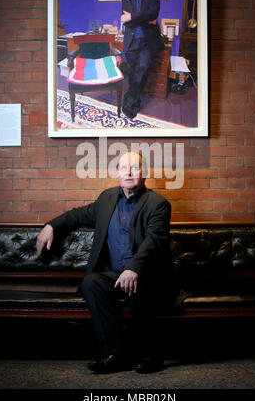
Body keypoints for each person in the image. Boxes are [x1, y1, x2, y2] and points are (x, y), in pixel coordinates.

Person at [36, 151, 177, 374]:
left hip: (146, 273)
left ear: (145, 173)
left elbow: (154, 241)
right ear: (118, 173)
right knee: (91, 282)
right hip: (113, 272)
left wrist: (133, 268)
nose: (129, 173)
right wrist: (51, 225)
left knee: (137, 286)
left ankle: (151, 355)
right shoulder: (107, 199)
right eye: (123, 168)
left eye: (135, 168)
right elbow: (79, 215)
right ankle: (115, 353)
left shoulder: (158, 204)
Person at [121, 0, 165, 119]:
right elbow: (134, 21)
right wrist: (144, 18)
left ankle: (130, 102)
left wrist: (132, 16)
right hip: (132, 42)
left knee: (141, 68)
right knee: (133, 72)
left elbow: (153, 14)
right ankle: (134, 99)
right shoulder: (125, 0)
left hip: (147, 42)